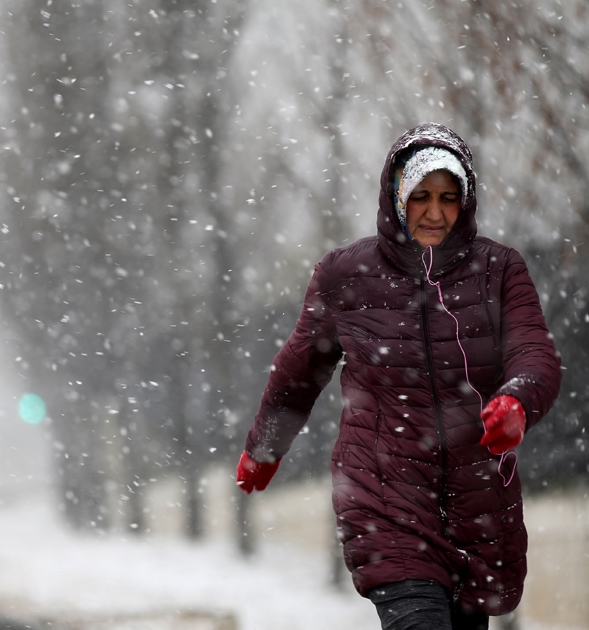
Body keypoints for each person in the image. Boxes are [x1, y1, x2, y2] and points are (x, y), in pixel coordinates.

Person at [235, 123, 561, 629]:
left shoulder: (499, 271)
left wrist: (518, 401)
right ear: (396, 196)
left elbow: (534, 353)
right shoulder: (345, 275)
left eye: (449, 198)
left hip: (476, 507)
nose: (435, 213)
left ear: (466, 201)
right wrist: (265, 446)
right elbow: (300, 369)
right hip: (385, 500)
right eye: (420, 196)